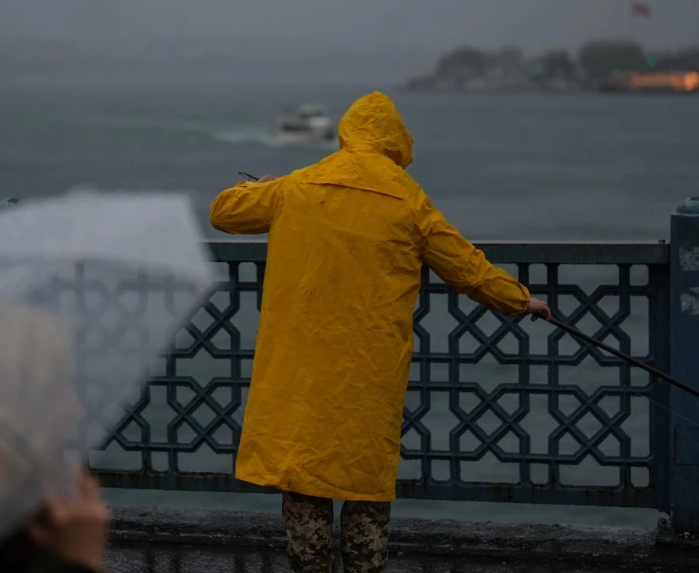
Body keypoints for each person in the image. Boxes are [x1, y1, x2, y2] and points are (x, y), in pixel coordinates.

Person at [208, 91, 550, 573]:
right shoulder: (409, 201)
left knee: (305, 484)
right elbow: (468, 269)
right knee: (364, 487)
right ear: (395, 143)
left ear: (346, 133)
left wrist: (266, 186)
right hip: (367, 373)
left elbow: (223, 212)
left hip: (300, 369)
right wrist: (521, 300)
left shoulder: (296, 187)